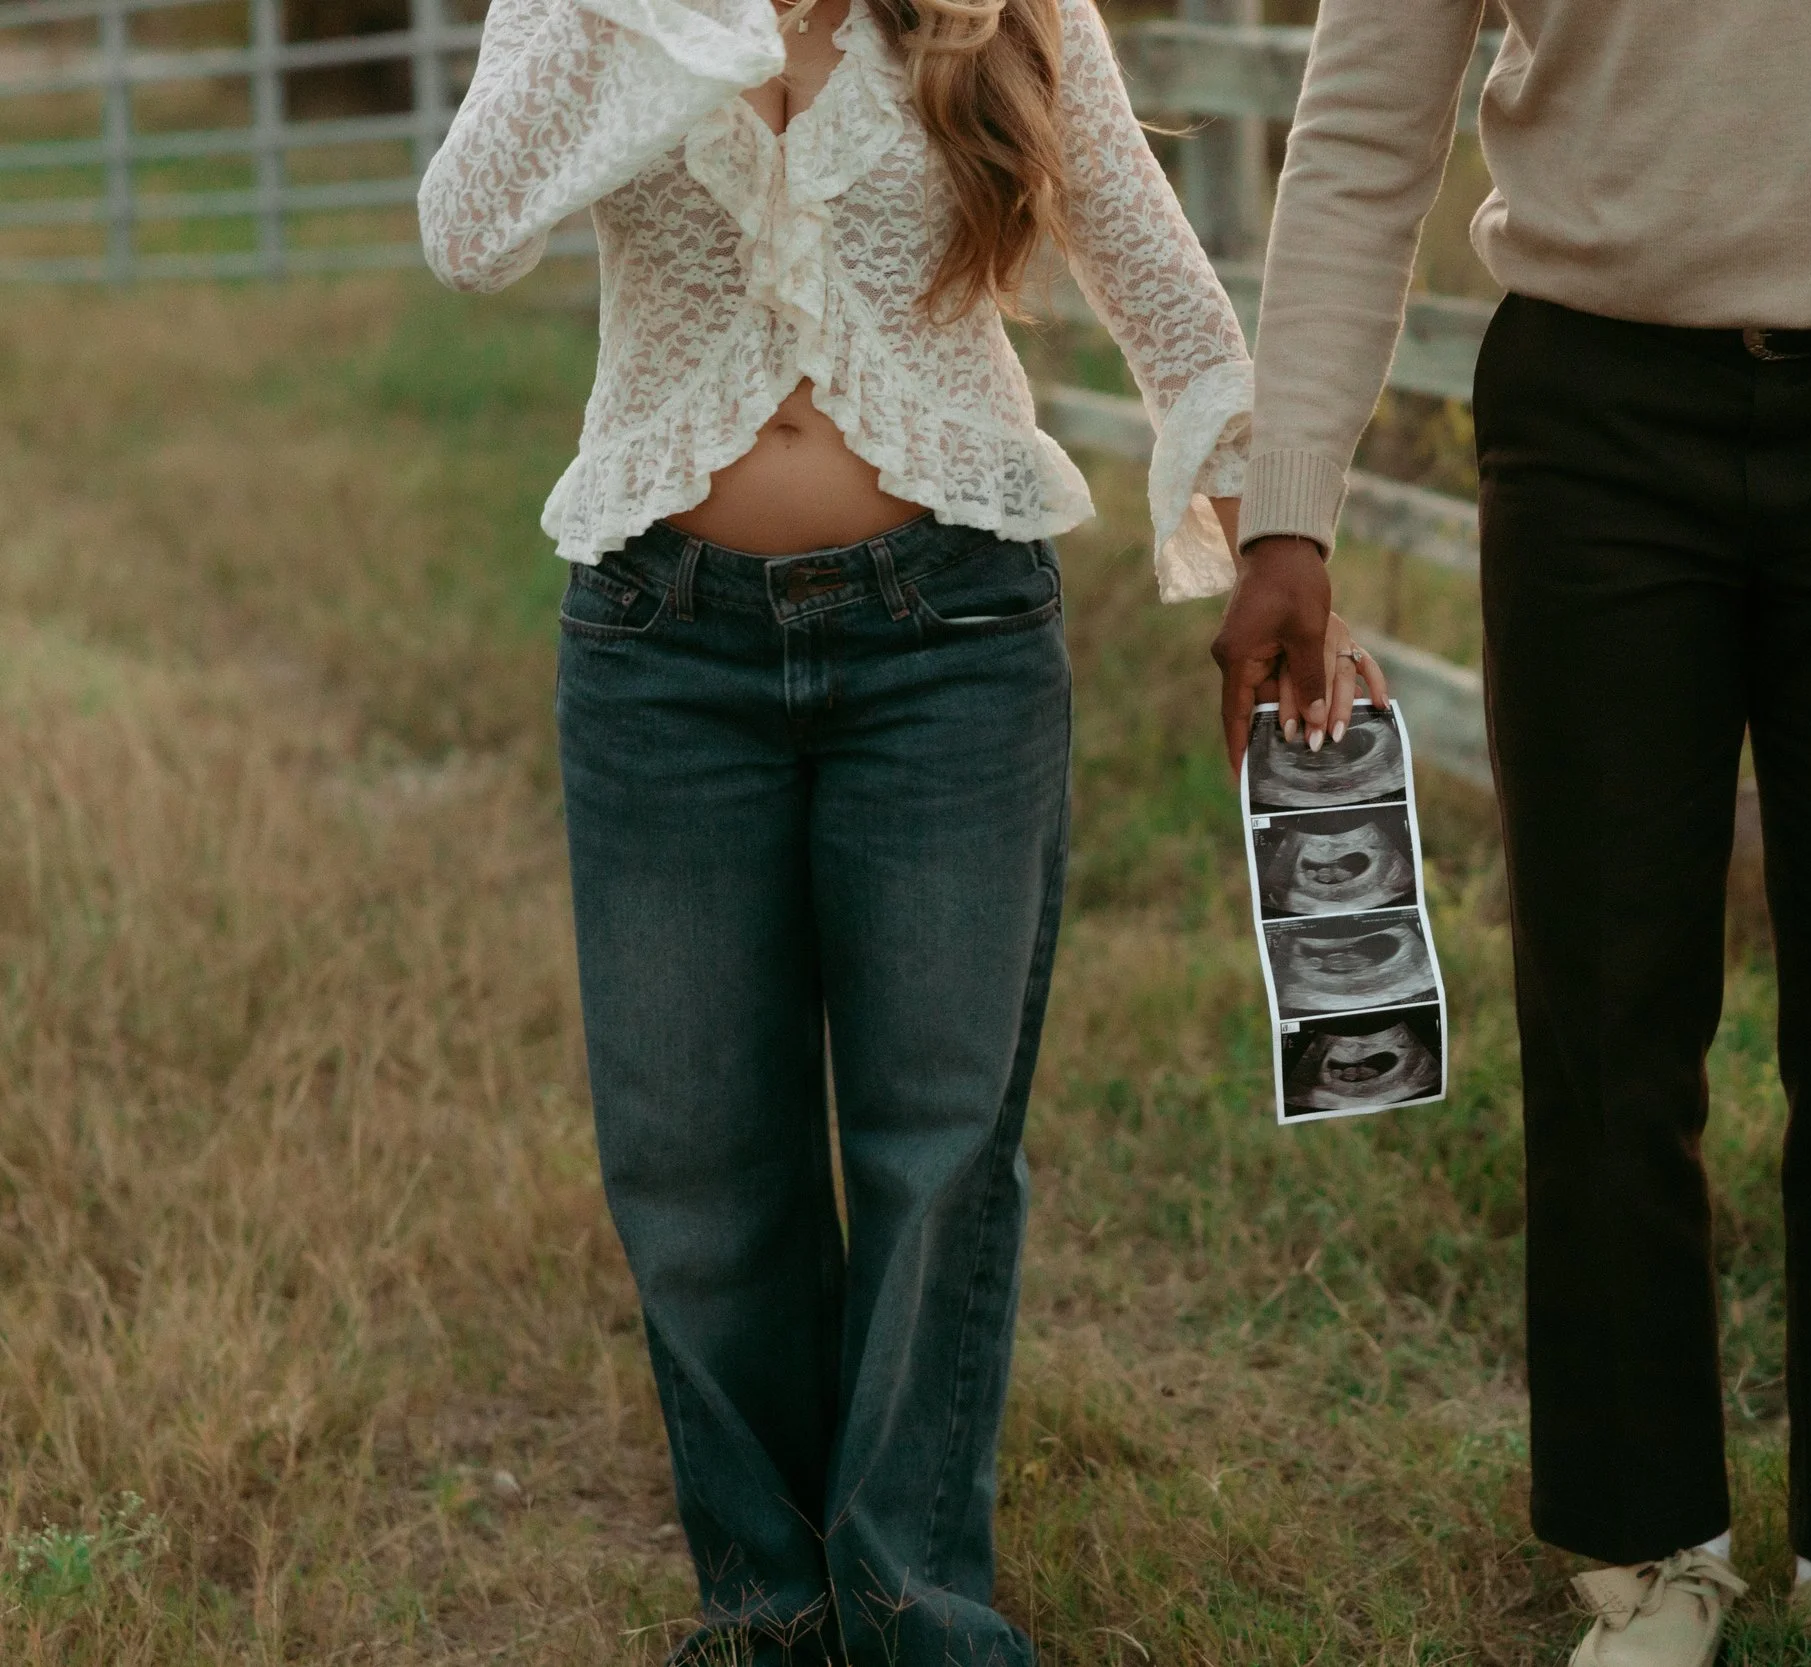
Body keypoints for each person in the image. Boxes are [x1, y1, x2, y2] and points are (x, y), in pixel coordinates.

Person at [1211, 0, 1811, 1660]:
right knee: (1608, 991)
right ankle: (1648, 1547)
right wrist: (1288, 501)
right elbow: (1368, 115)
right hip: (1594, 423)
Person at [420, 0, 1365, 1658]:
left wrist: (1275, 529)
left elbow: (1149, 263)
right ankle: (767, 1605)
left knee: (938, 1143)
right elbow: (468, 228)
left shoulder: (998, 10)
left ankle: (917, 1595)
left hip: (951, 639)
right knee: (696, 1155)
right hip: (662, 642)